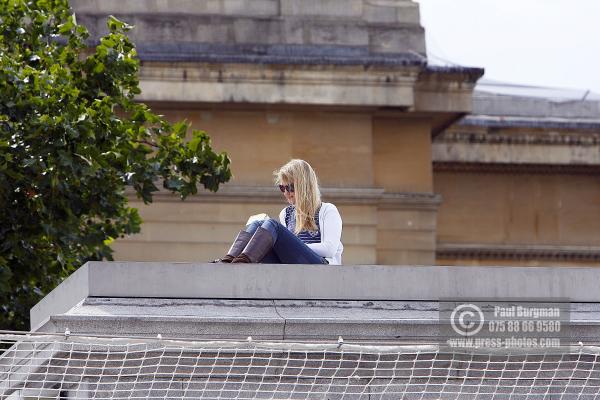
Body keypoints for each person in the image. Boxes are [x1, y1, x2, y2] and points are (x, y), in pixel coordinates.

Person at [213, 159, 343, 265]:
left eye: (290, 188)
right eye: (282, 188)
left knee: (272, 225)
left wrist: (296, 245)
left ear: (303, 186)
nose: (286, 193)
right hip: (295, 265)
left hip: (321, 267)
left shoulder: (327, 210)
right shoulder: (286, 214)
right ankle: (229, 260)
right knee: (258, 223)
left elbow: (329, 249)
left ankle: (242, 263)